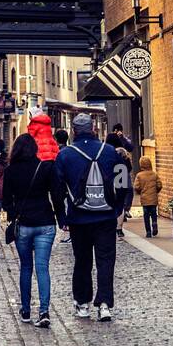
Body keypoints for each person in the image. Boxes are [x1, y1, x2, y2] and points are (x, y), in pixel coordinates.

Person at [53, 113, 126, 322]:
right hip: (105, 218)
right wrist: (117, 207)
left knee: (82, 261)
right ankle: (104, 305)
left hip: (78, 218)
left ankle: (82, 303)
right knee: (105, 261)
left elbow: (57, 190)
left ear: (74, 131)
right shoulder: (110, 151)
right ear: (94, 129)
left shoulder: (65, 155)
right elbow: (122, 180)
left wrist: (62, 217)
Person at [3, 133, 65, 326]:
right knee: (42, 268)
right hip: (45, 222)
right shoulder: (45, 167)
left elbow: (6, 202)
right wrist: (61, 218)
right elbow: (57, 194)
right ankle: (44, 311)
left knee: (26, 268)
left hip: (23, 224)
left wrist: (15, 214)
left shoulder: (11, 170)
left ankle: (26, 310)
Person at [132, 156, 163, 238]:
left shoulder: (139, 175)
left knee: (146, 215)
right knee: (153, 213)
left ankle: (148, 232)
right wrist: (156, 191)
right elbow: (159, 185)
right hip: (153, 198)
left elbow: (136, 187)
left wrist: (140, 192)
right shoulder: (154, 174)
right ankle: (154, 223)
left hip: (144, 199)